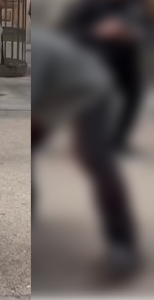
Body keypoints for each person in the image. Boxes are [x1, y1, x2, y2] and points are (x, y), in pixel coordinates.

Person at [32, 27, 140, 281]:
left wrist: (78, 138)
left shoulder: (37, 49)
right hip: (57, 94)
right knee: (32, 142)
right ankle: (31, 207)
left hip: (90, 90)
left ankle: (122, 244)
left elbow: (34, 102)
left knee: (95, 157)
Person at [60, 0, 152, 153]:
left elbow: (149, 28)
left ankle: (118, 141)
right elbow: (67, 30)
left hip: (127, 57)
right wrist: (97, 31)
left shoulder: (136, 0)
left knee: (133, 96)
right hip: (95, 57)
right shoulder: (89, 1)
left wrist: (132, 33)